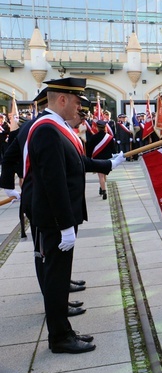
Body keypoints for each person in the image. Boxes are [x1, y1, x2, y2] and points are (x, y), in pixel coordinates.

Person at [26, 77, 123, 354]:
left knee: (60, 275)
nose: (81, 108)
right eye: (79, 102)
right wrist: (65, 225)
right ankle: (59, 337)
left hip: (63, 218)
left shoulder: (57, 128)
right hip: (57, 221)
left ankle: (64, 330)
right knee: (56, 279)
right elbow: (53, 181)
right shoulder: (46, 129)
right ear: (62, 99)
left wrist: (107, 163)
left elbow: (76, 163)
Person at [87, 119, 115, 200]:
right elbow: (113, 150)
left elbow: (90, 149)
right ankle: (101, 187)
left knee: (101, 176)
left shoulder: (94, 137)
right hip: (107, 158)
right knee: (104, 174)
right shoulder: (109, 138)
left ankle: (104, 191)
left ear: (98, 128)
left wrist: (88, 158)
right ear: (105, 127)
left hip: (97, 158)